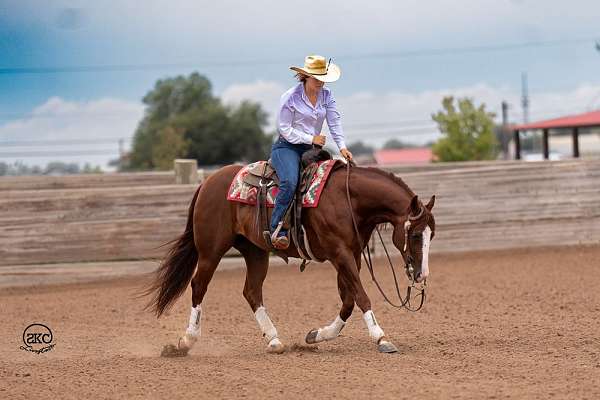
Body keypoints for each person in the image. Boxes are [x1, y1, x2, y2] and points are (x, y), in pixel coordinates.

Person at [269, 55, 353, 250]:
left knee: (329, 182)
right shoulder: (290, 97)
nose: (321, 83)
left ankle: (317, 229)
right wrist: (311, 139)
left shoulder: (327, 95)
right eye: (317, 78)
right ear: (305, 76)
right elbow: (284, 128)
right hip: (286, 147)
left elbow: (334, 121)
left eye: (323, 78)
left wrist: (342, 147)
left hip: (311, 150)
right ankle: (277, 228)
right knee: (290, 181)